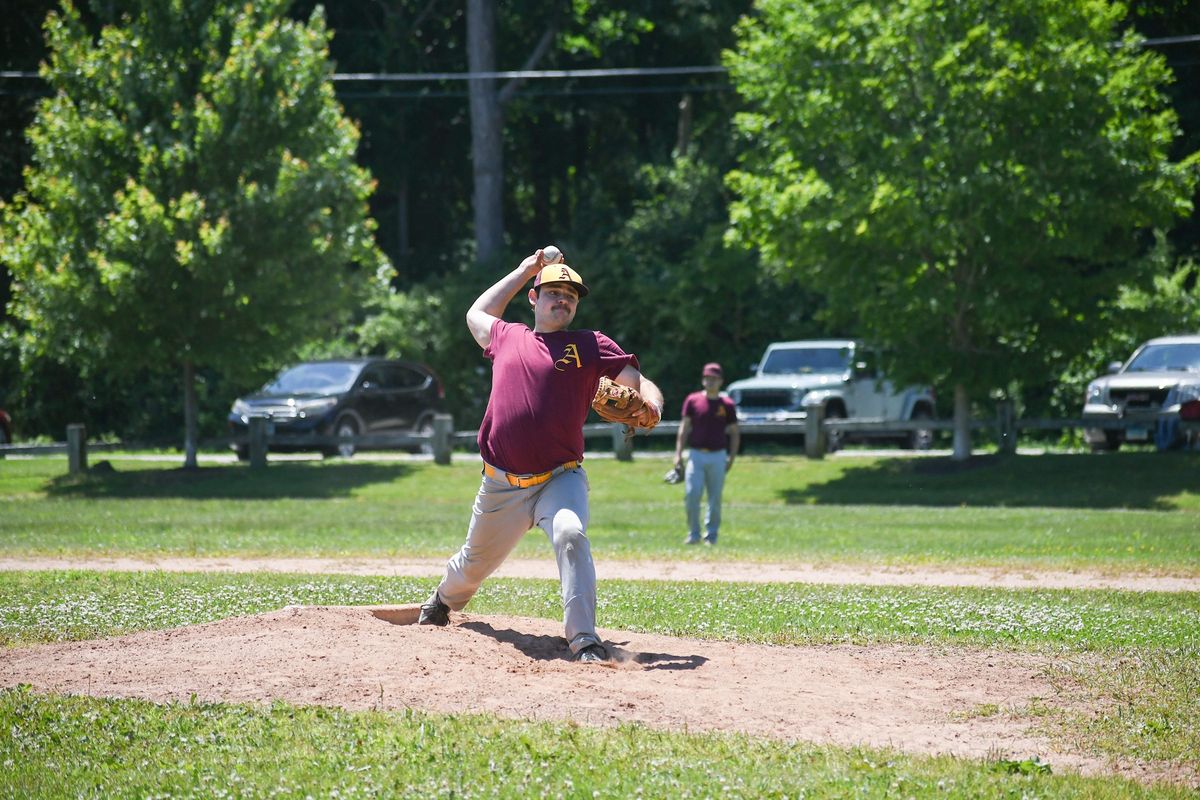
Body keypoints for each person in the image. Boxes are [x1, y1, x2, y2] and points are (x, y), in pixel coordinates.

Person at [418, 248, 664, 664]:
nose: (563, 299)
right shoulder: (508, 336)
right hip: (501, 483)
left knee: (570, 533)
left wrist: (652, 407)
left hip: (559, 477)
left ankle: (584, 639)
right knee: (472, 566)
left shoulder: (589, 345)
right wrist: (524, 270)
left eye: (571, 295)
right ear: (534, 298)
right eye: (553, 291)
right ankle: (442, 600)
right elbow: (475, 313)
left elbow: (641, 385)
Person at [673, 362, 739, 545]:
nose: (711, 382)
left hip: (718, 455)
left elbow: (734, 432)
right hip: (696, 454)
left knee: (715, 498)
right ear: (703, 380)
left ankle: (711, 535)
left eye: (714, 379)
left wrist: (731, 458)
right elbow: (684, 428)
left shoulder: (726, 404)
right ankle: (694, 533)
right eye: (708, 378)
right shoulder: (693, 400)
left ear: (721, 382)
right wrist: (678, 454)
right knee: (692, 494)